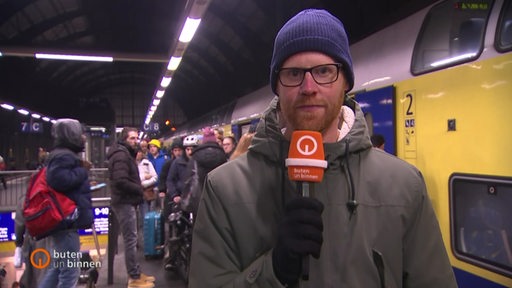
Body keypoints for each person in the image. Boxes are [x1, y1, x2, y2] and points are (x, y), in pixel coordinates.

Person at [189, 9, 457, 288]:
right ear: (277, 87)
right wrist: (272, 271)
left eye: (324, 71)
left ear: (346, 83)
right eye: (293, 73)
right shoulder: (224, 188)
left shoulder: (405, 186)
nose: (308, 87)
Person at [38, 118, 94, 288]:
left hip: (64, 220)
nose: (83, 137)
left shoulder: (61, 154)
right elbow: (59, 180)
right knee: (70, 271)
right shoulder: (64, 155)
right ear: (72, 135)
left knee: (57, 268)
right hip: (66, 220)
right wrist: (82, 171)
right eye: (80, 133)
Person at [107, 127, 155, 288]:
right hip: (124, 202)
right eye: (132, 139)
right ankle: (134, 278)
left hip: (125, 201)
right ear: (124, 139)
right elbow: (121, 181)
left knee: (131, 239)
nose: (136, 142)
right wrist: (138, 188)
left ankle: (135, 272)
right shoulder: (121, 156)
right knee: (130, 240)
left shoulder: (123, 153)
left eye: (136, 138)